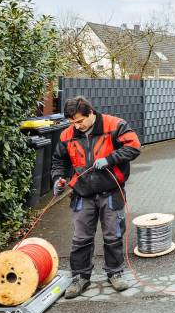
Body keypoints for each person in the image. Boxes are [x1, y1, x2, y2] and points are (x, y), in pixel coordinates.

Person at [51, 96, 141, 299]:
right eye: (72, 122)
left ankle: (115, 272)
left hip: (111, 191)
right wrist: (58, 179)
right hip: (82, 194)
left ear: (90, 113)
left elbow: (134, 147)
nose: (77, 126)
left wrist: (110, 159)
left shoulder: (115, 125)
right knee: (81, 238)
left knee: (113, 235)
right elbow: (59, 162)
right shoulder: (67, 135)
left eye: (80, 121)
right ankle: (80, 277)